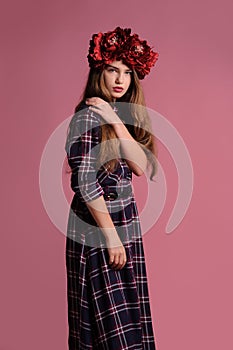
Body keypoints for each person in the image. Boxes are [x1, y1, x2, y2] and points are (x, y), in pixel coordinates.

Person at [65, 26, 159, 350]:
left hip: (123, 224)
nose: (120, 79)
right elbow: (86, 182)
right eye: (111, 70)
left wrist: (115, 120)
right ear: (98, 72)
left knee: (128, 319)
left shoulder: (117, 117)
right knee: (107, 328)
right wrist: (110, 236)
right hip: (98, 224)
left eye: (127, 72)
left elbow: (141, 165)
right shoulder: (87, 118)